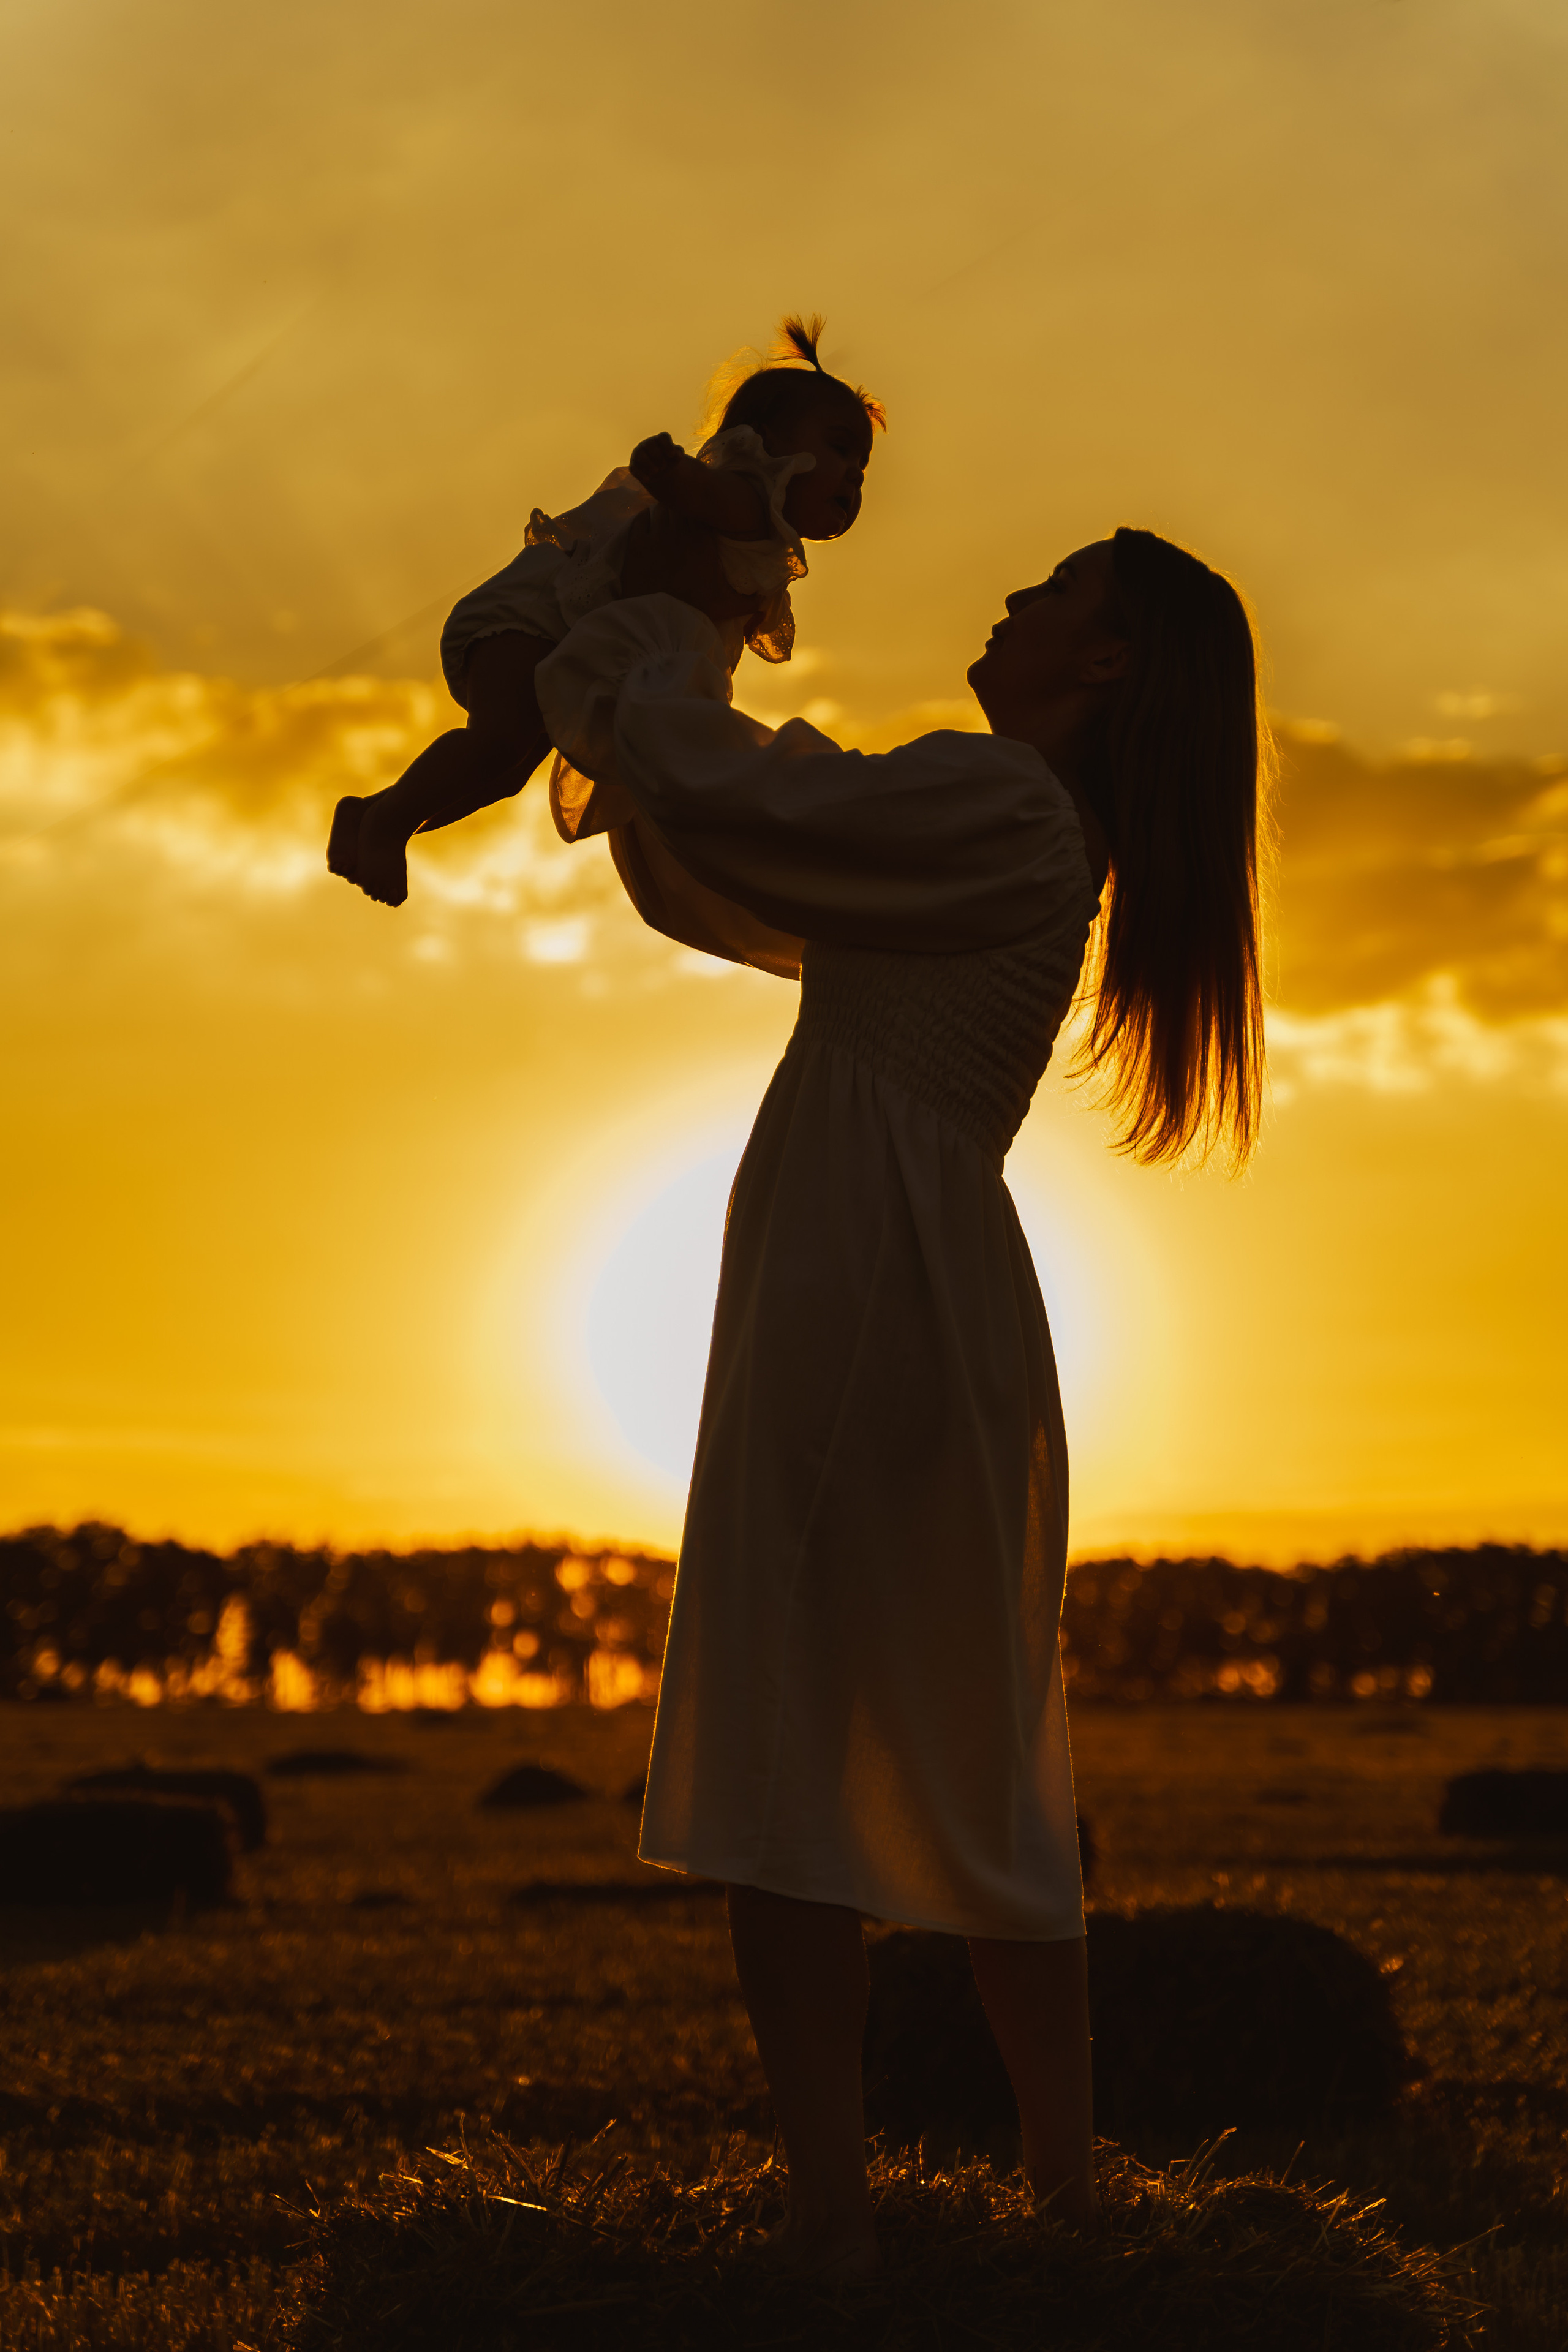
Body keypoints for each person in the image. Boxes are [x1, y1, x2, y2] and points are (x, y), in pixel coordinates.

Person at [529, 529, 1270, 2277]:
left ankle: (837, 2218)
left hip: (861, 1271)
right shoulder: (1017, 828)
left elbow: (741, 794)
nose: (1017, 596)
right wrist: (657, 689)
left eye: (1061, 590)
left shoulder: (996, 801)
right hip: (917, 1270)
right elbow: (726, 850)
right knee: (975, 1735)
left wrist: (668, 637)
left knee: (795, 1724)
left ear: (1105, 664)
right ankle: (1057, 2194)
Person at [324, 316, 884, 908]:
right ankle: (388, 824)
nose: (853, 473)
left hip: (562, 635)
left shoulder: (763, 554)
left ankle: (380, 815)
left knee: (504, 771)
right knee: (494, 746)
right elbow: (706, 495)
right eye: (840, 448)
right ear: (766, 443)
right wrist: (674, 475)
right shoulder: (748, 500)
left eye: (863, 467)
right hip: (539, 616)